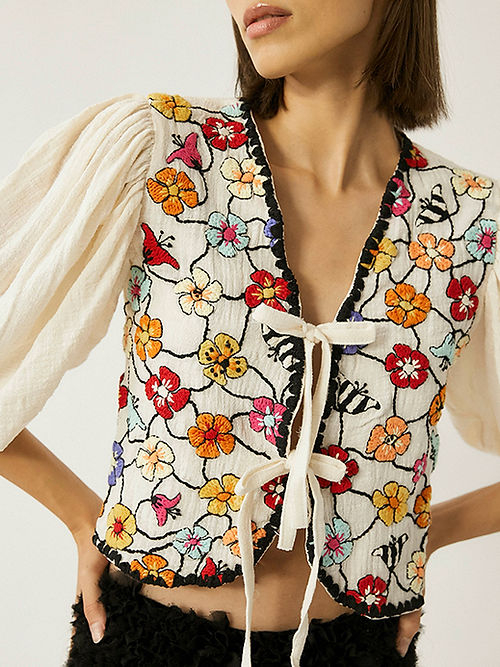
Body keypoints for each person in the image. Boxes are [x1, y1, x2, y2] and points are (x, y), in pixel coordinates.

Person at [1, 1, 500, 665]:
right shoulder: (166, 153)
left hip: (359, 649)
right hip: (149, 644)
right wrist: (77, 513)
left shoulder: (468, 221)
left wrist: (422, 537)